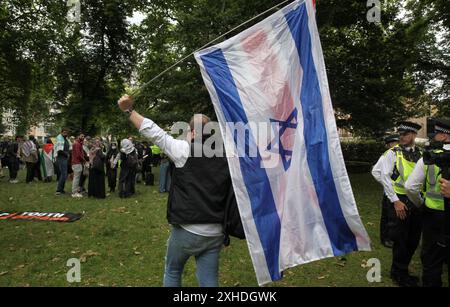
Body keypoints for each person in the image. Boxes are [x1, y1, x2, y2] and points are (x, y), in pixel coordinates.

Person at [118, 95, 232, 287]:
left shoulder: (184, 151)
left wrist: (129, 111)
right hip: (216, 232)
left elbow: (155, 133)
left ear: (194, 133)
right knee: (209, 281)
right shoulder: (228, 156)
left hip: (189, 229)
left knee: (172, 270)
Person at [405, 118, 450, 287]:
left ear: (444, 136)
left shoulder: (429, 156)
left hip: (433, 218)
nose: (433, 138)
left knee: (432, 261)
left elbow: (410, 187)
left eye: (436, 135)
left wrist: (420, 203)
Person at [379, 121, 423, 287]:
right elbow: (383, 176)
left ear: (413, 135)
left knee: (413, 239)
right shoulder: (393, 153)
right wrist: (395, 201)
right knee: (401, 239)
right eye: (400, 134)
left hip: (416, 201)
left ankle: (403, 270)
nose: (401, 137)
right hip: (400, 201)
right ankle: (398, 273)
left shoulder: (421, 153)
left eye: (405, 134)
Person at [372, 134, 400, 248]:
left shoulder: (398, 154)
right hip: (389, 193)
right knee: (388, 217)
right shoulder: (387, 155)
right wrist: (386, 184)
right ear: (390, 144)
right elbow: (375, 172)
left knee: (392, 217)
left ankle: (391, 237)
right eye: (395, 143)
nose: (397, 145)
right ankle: (386, 239)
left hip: (394, 192)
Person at [55, 128, 70, 195]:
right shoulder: (59, 139)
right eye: (64, 132)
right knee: (63, 174)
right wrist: (66, 154)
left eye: (66, 132)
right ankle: (58, 190)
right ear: (61, 132)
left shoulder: (65, 139)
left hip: (65, 158)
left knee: (64, 174)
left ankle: (61, 189)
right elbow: (59, 150)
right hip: (61, 157)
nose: (65, 134)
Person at [71, 133, 87, 198]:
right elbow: (78, 154)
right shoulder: (77, 144)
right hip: (77, 162)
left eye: (83, 136)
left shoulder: (78, 143)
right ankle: (74, 192)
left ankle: (75, 191)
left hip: (76, 162)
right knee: (76, 178)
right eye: (81, 136)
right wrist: (84, 160)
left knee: (76, 177)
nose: (83, 137)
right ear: (78, 136)